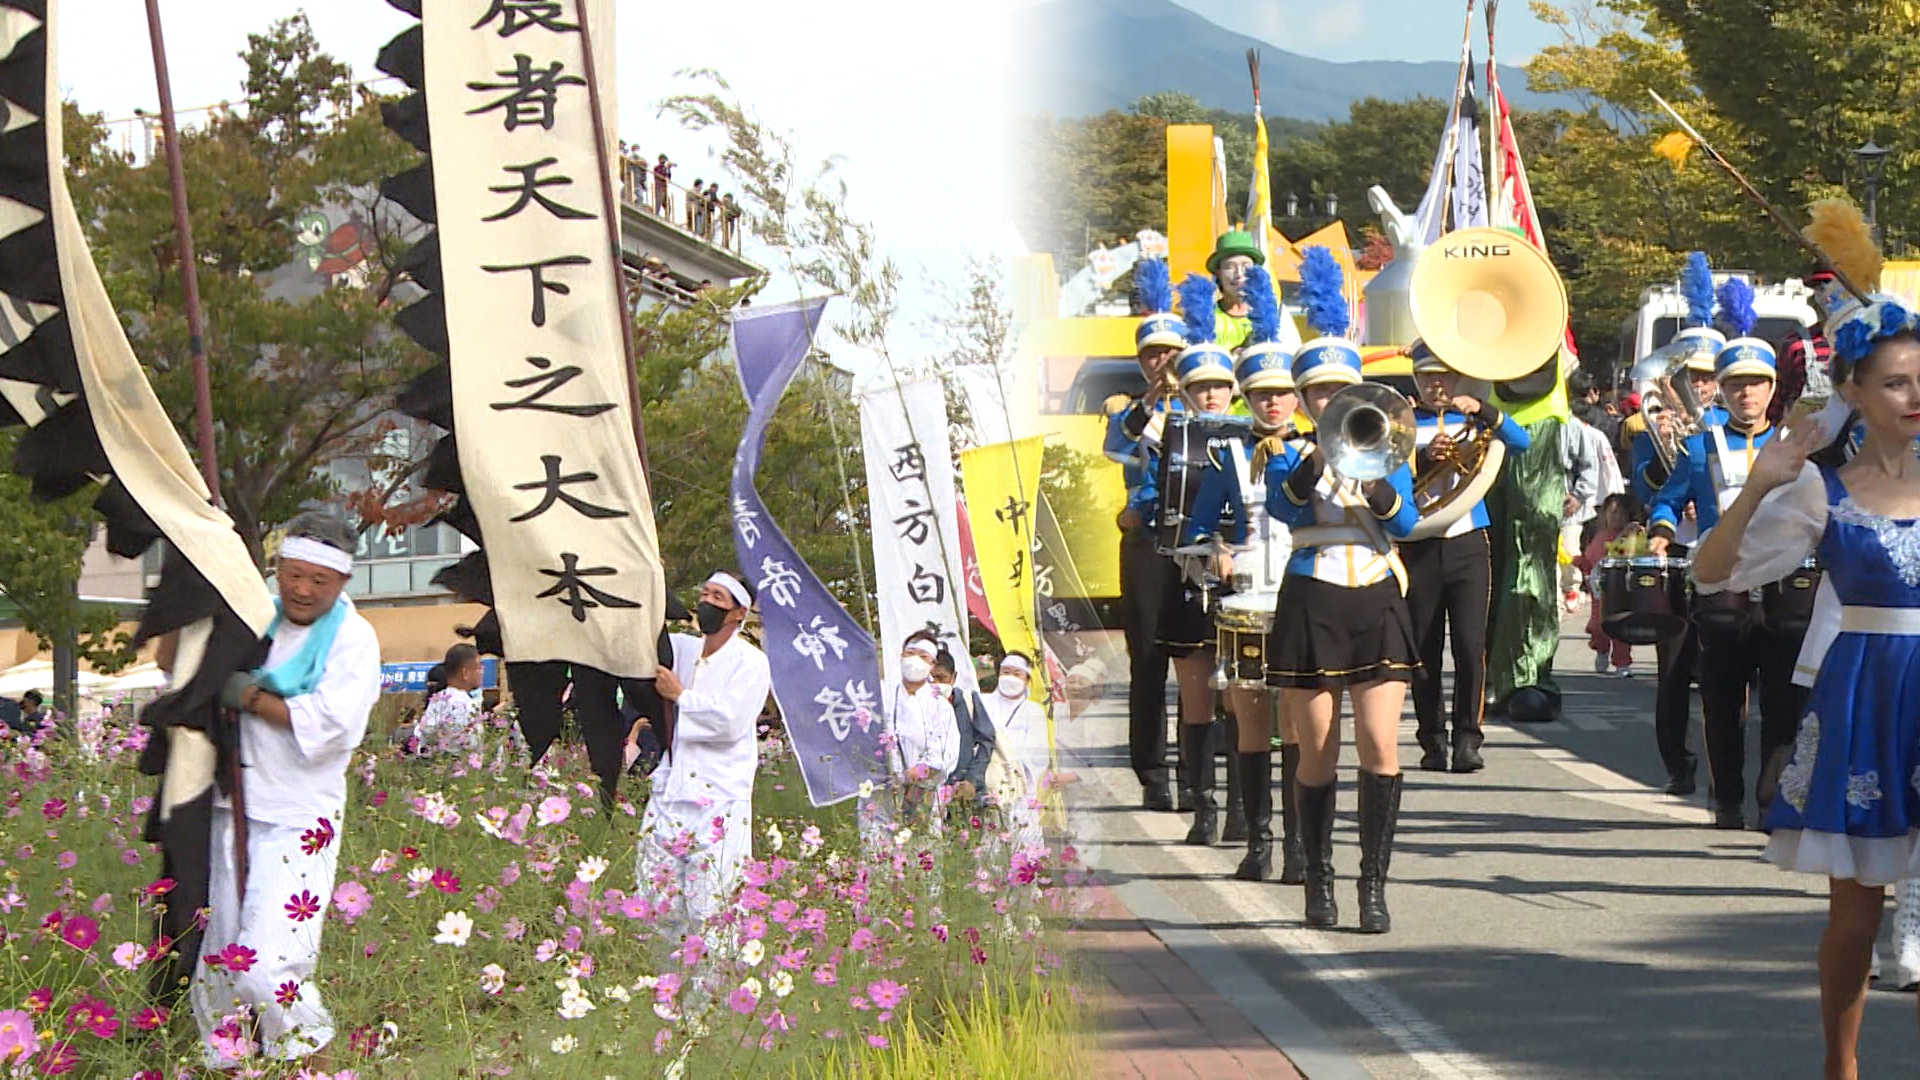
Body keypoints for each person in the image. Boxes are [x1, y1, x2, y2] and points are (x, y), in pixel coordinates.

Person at [1689, 265, 1920, 1076]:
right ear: (1853, 391)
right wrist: (1758, 485)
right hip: (1868, 697)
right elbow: (1712, 572)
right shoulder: (1824, 491)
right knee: (1855, 917)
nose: (1915, 396)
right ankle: (1840, 1065)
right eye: (1895, 382)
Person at [191, 511, 381, 1069]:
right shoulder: (255, 617)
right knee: (220, 962)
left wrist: (247, 697)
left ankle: (313, 1060)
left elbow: (332, 726)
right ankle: (231, 1064)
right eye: (292, 574)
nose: (301, 589)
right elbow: (182, 665)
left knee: (269, 965)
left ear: (342, 580)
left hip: (300, 817)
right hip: (233, 805)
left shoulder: (353, 639)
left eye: (318, 580)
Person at [1263, 248, 1416, 933]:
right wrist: (1318, 456)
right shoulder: (1285, 454)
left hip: (1375, 594)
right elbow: (1283, 508)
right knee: (1317, 752)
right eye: (1317, 393)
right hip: (1313, 598)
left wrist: (1372, 477)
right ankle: (1317, 879)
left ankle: (1373, 886)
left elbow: (1405, 522)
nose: (1328, 402)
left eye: (1337, 390)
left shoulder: (1388, 445)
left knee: (1381, 746)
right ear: (1303, 399)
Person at [1651, 285, 1810, 830]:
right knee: (1722, 703)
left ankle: (1772, 800)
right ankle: (1727, 800)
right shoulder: (1699, 445)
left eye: (1756, 383)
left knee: (1784, 703)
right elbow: (1668, 500)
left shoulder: (1793, 445)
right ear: (1722, 388)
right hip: (1722, 588)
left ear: (1772, 388)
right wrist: (1661, 531)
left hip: (1784, 590)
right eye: (1736, 384)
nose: (1746, 394)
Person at [1183, 262, 1304, 880]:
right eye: (1260, 394)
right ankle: (1260, 843)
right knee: (1252, 728)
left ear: (1297, 396)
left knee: (1301, 730)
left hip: (1307, 596)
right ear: (1247, 399)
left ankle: (1302, 848)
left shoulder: (1318, 448)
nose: (1273, 402)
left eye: (1281, 392)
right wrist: (1215, 549)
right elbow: (1196, 527)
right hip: (1247, 602)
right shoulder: (1227, 454)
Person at [1404, 342, 1532, 773]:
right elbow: (1390, 478)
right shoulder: (1403, 423)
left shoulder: (1474, 422)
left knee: (1470, 645)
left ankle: (1467, 739)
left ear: (1457, 378)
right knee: (1423, 649)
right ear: (1416, 380)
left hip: (1468, 542)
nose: (1435, 385)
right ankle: (1431, 740)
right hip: (1420, 543)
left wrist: (1484, 409)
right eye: (1427, 377)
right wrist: (1425, 458)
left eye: (1443, 376)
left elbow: (1521, 441)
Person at [1633, 254, 1733, 795]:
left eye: (1707, 377)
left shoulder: (1733, 426)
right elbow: (1649, 490)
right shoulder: (1651, 425)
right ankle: (1678, 763)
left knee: (1724, 673)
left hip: (1728, 556)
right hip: (1677, 557)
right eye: (1692, 377)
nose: (1700, 386)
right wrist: (1663, 451)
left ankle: (1726, 774)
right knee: (1672, 670)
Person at [1155, 274, 1245, 847]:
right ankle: (1204, 808)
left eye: (1218, 385)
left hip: (1240, 581)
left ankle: (1241, 808)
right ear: (1185, 389)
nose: (1210, 395)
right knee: (1195, 701)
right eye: (1200, 386)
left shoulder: (1254, 437)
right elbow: (1152, 498)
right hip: (1187, 574)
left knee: (1239, 699)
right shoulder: (1167, 434)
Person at [635, 571, 769, 936]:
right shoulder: (683, 649)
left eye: (718, 598)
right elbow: (645, 630)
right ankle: (663, 973)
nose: (707, 602)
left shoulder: (751, 662)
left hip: (720, 797)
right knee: (657, 899)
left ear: (738, 614)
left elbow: (730, 723)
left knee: (713, 907)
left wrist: (681, 696)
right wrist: (651, 573)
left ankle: (715, 975)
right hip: (672, 789)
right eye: (705, 594)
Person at [1106, 257, 1186, 813]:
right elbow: (1117, 447)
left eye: (1170, 352)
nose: (1162, 362)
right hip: (1149, 546)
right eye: (1152, 354)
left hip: (1200, 544)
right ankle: (1153, 772)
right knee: (1150, 661)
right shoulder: (1129, 412)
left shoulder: (1210, 403)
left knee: (1205, 661)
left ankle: (1204, 769)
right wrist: (1152, 401)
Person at [870, 631, 962, 841]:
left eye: (923, 656)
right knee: (877, 849)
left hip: (919, 797)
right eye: (910, 653)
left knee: (918, 851)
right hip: (879, 794)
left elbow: (946, 753)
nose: (915, 660)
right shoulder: (881, 693)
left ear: (932, 664)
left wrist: (918, 772)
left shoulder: (939, 706)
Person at [979, 652, 1050, 853]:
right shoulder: (983, 703)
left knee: (1023, 848)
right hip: (988, 784)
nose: (1010, 677)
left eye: (1017, 673)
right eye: (1006, 672)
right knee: (990, 846)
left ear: (1027, 679)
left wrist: (1009, 757)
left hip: (1020, 787)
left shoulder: (1033, 711)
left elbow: (1038, 755)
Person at [1573, 493, 1645, 677]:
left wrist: (1626, 535)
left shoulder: (1635, 535)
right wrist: (1581, 562)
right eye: (1611, 512)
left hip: (1622, 589)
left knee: (1621, 627)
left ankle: (1622, 662)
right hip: (1600, 591)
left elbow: (1627, 554)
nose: (1615, 517)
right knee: (1599, 626)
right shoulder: (1600, 536)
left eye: (1620, 513)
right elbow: (1591, 559)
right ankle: (1601, 649)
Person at [935, 649, 996, 801]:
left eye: (941, 678)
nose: (936, 684)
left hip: (963, 789)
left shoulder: (968, 701)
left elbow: (986, 742)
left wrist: (972, 779)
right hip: (931, 790)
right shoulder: (915, 706)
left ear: (953, 677)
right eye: (931, 679)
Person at [412, 644, 485, 756]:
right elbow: (473, 743)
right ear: (465, 673)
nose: (482, 671)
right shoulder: (463, 703)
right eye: (479, 667)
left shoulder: (437, 700)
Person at [1204, 230, 1266, 350]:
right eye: (1229, 267)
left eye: (1246, 266)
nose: (1239, 274)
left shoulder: (1277, 314)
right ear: (1218, 273)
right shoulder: (1204, 318)